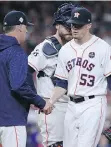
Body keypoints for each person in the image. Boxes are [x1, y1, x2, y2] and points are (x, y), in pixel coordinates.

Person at [45, 7, 111, 147]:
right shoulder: (66, 50)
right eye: (72, 24)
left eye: (79, 25)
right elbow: (62, 83)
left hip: (93, 104)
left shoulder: (103, 48)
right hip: (71, 105)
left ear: (89, 26)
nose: (74, 28)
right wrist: (50, 102)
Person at [28, 3, 76, 147]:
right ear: (57, 25)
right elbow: (25, 71)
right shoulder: (45, 47)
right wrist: (35, 98)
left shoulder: (75, 49)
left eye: (73, 26)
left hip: (73, 107)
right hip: (53, 109)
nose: (70, 29)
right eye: (66, 25)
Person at [0, 10, 50, 147]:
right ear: (20, 28)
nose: (27, 31)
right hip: (11, 122)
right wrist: (39, 101)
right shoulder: (16, 51)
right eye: (26, 27)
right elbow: (18, 85)